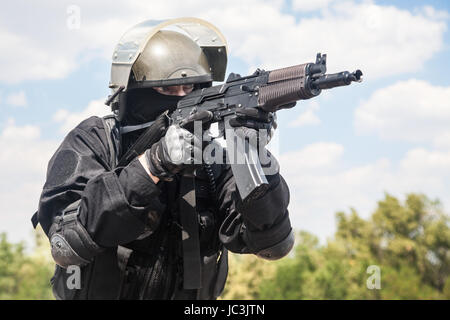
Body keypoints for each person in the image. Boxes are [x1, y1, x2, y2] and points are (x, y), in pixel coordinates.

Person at [32, 18, 294, 300]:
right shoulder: (97, 141)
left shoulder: (212, 160)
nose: (179, 98)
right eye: (166, 90)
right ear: (131, 94)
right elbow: (66, 244)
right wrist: (152, 166)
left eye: (190, 89)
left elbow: (272, 244)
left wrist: (253, 154)